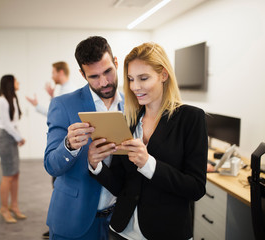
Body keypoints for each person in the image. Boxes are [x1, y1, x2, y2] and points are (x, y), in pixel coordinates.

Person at [88, 42, 208, 240]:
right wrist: (96, 165)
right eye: (131, 79)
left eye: (143, 78)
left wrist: (148, 164)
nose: (135, 87)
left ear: (163, 75)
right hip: (122, 231)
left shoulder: (191, 118)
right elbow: (120, 185)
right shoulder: (129, 120)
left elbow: (195, 188)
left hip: (166, 232)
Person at [44, 36, 124, 240]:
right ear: (82, 74)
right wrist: (69, 145)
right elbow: (51, 165)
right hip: (73, 219)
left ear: (116, 62)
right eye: (94, 76)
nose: (104, 82)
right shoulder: (63, 105)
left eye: (108, 72)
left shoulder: (133, 105)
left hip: (119, 222)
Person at [27, 61, 76, 239]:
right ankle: (57, 223)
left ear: (60, 72)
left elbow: (55, 114)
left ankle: (60, 224)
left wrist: (39, 105)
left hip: (65, 148)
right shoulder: (64, 90)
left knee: (60, 186)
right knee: (57, 185)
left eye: (53, 72)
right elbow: (56, 112)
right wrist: (50, 97)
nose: (52, 76)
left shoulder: (68, 90)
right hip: (62, 146)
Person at [0, 74, 26, 224]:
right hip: (4, 140)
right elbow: (6, 125)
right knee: (8, 175)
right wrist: (19, 138)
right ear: (9, 83)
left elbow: (13, 123)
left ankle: (14, 206)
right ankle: (4, 209)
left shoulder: (11, 99)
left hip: (11, 139)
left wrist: (18, 137)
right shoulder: (1, 101)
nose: (18, 82)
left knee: (15, 174)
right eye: (16, 80)